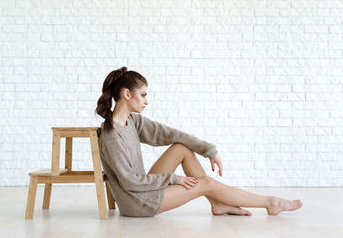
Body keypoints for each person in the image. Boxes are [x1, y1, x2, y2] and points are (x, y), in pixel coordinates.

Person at [95, 66, 302, 217]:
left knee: (181, 148)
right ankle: (270, 202)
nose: (147, 100)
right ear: (127, 94)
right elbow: (129, 181)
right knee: (207, 183)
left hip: (143, 190)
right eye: (143, 95)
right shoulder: (112, 134)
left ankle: (218, 204)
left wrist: (208, 150)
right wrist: (173, 179)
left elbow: (170, 134)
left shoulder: (132, 121)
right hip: (137, 202)